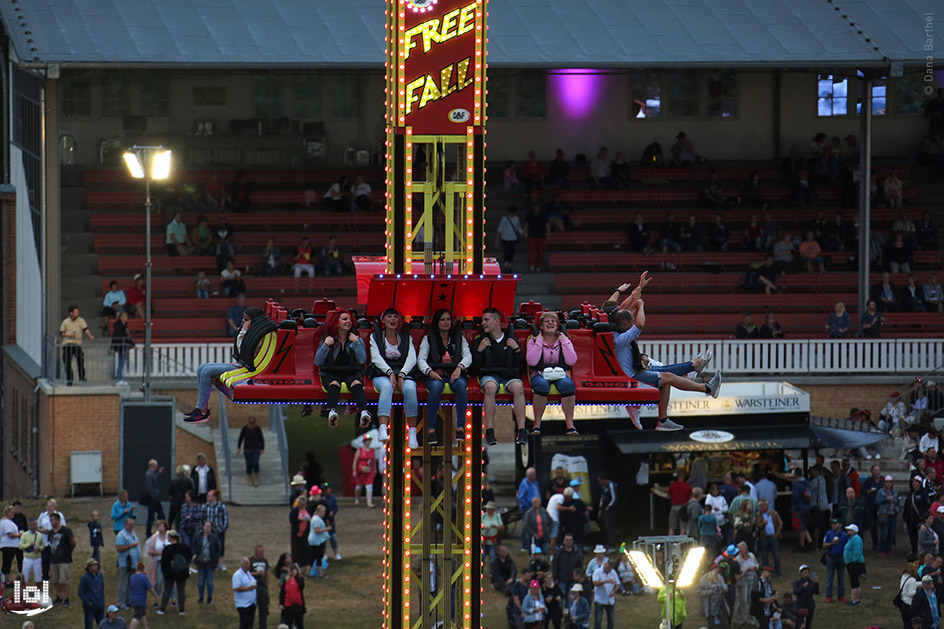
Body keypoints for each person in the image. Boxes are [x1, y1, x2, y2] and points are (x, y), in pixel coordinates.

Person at [611, 302, 721, 431]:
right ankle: (706, 387)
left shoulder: (615, 332)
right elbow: (640, 324)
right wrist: (641, 306)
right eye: (631, 322)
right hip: (632, 379)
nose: (633, 323)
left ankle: (663, 420)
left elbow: (623, 316)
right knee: (668, 376)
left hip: (633, 373)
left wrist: (635, 303)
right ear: (624, 324)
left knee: (666, 379)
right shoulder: (619, 339)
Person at [186, 305, 266, 423]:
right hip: (241, 364)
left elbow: (242, 348)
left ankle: (202, 411)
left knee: (207, 372)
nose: (243, 322)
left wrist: (243, 331)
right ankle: (201, 409)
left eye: (246, 320)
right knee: (201, 368)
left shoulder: (257, 334)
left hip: (248, 368)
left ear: (254, 321)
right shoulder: (253, 332)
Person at [472, 308, 528, 446]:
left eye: (486, 320)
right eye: (482, 320)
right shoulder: (479, 341)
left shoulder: (511, 340)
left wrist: (516, 350)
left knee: (518, 387)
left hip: (508, 376)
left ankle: (521, 430)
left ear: (496, 321)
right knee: (490, 387)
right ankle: (490, 430)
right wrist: (479, 351)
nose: (483, 323)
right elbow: (473, 369)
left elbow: (521, 367)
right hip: (490, 376)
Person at [312, 309, 371, 433]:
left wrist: (356, 343)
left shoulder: (356, 339)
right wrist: (326, 346)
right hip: (331, 372)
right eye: (344, 319)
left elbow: (362, 360)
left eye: (349, 319)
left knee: (357, 384)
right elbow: (317, 361)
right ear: (336, 323)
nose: (348, 321)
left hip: (350, 372)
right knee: (334, 384)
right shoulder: (328, 339)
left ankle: (364, 412)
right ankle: (332, 412)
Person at [418, 308, 472, 445]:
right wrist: (430, 372)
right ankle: (431, 429)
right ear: (437, 322)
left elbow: (467, 356)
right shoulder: (428, 339)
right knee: (436, 388)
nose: (446, 322)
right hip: (435, 375)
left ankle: (460, 427)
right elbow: (421, 360)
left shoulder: (458, 338)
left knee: (461, 385)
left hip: (454, 374)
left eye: (448, 319)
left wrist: (459, 368)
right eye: (442, 320)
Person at [369, 307, 420, 448]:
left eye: (395, 317)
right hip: (382, 373)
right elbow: (376, 358)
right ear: (383, 320)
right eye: (389, 317)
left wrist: (402, 374)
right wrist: (390, 372)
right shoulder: (376, 337)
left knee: (410, 389)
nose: (392, 319)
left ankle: (412, 432)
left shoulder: (405, 338)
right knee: (387, 386)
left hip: (403, 372)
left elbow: (412, 358)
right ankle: (383, 427)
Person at [527, 312, 578, 436]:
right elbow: (531, 361)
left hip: (560, 374)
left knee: (568, 386)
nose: (550, 323)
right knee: (542, 385)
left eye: (553, 321)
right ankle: (537, 424)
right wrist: (539, 342)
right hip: (539, 374)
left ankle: (570, 425)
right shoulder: (533, 340)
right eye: (547, 321)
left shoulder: (563, 340)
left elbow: (572, 361)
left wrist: (564, 341)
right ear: (541, 326)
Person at [155, 530, 190, 616]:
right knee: (181, 590)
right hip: (182, 572)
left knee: (167, 590)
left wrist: (165, 572)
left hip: (169, 573)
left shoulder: (167, 549)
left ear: (170, 538)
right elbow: (189, 557)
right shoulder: (184, 547)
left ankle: (162, 609)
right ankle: (181, 610)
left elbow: (164, 562)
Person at [61, 305, 94, 385]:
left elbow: (85, 329)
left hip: (77, 344)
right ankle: (69, 379)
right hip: (67, 344)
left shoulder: (81, 320)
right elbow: (62, 333)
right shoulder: (65, 322)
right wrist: (69, 335)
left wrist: (90, 335)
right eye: (75, 312)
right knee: (68, 362)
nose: (77, 313)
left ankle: (81, 377)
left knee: (80, 360)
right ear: (71, 313)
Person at [190, 521, 221, 605]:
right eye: (206, 526)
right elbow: (192, 545)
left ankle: (209, 597)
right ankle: (201, 597)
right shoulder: (198, 535)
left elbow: (219, 549)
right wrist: (194, 554)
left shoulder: (214, 538)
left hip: (210, 562)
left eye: (209, 527)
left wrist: (216, 559)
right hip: (200, 562)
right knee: (201, 581)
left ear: (211, 528)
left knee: (210, 581)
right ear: (203, 527)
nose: (207, 528)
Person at [116, 517, 141, 609]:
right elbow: (119, 548)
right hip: (125, 563)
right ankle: (121, 602)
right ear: (125, 525)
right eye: (130, 525)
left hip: (134, 563)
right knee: (124, 582)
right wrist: (130, 545)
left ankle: (129, 600)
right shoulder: (121, 535)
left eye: (133, 525)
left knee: (131, 582)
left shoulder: (132, 534)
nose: (132, 526)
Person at [821, 518, 847, 603]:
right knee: (829, 578)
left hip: (840, 558)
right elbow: (824, 545)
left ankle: (841, 595)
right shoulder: (829, 533)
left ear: (840, 525)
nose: (833, 525)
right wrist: (832, 543)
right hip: (831, 557)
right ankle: (828, 596)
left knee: (841, 578)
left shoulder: (844, 535)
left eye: (836, 523)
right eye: (832, 523)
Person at [144, 520, 169, 604]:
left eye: (161, 526)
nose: (160, 528)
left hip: (168, 561)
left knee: (170, 580)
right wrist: (160, 553)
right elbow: (149, 551)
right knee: (159, 580)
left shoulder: (169, 536)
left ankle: (172, 598)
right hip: (158, 561)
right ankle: (157, 598)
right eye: (158, 526)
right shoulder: (154, 537)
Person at [203, 490, 229, 571]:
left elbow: (225, 518)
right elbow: (202, 518)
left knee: (220, 547)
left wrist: (223, 529)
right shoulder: (205, 507)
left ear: (214, 497)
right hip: (208, 531)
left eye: (209, 496)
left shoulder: (221, 507)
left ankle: (221, 564)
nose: (208, 497)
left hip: (218, 530)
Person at [698, 562, 729, 629]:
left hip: (720, 606)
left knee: (725, 625)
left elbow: (723, 585)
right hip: (710, 607)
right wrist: (708, 592)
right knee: (712, 625)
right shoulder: (704, 580)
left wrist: (725, 588)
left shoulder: (720, 577)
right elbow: (699, 592)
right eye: (717, 568)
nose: (719, 569)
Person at [76, 557, 105, 629]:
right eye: (93, 565)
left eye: (96, 565)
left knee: (102, 624)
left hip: (100, 604)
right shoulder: (85, 578)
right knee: (89, 624)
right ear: (88, 567)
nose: (96, 567)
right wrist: (88, 602)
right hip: (90, 606)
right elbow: (81, 592)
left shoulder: (99, 576)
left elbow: (102, 588)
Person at [236, 416, 265, 487]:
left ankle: (256, 478)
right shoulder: (244, 429)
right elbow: (240, 438)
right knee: (248, 464)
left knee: (255, 463)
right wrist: (238, 448)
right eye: (250, 424)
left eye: (253, 425)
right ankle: (249, 478)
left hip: (256, 450)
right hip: (247, 450)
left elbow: (261, 439)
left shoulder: (258, 429)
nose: (251, 426)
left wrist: (262, 448)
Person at [129, 561, 159, 629]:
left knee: (142, 614)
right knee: (137, 616)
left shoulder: (132, 577)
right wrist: (155, 596)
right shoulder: (144, 578)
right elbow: (150, 588)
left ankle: (145, 627)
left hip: (133, 599)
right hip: (140, 600)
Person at [877, 473, 902, 557]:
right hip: (884, 515)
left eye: (890, 482)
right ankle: (882, 549)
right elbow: (877, 501)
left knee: (892, 533)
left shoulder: (894, 492)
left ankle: (889, 549)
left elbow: (897, 502)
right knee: (885, 533)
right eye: (887, 482)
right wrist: (886, 499)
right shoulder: (881, 492)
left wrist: (897, 509)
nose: (888, 484)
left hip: (893, 514)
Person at [496, 205, 525, 273]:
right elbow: (500, 229)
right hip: (505, 238)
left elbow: (518, 228)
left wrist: (523, 233)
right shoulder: (504, 219)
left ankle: (510, 266)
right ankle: (506, 266)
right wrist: (497, 237)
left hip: (513, 238)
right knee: (506, 252)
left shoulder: (516, 218)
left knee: (511, 253)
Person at [352, 434, 377, 507]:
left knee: (369, 486)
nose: (369, 442)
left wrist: (375, 470)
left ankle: (369, 502)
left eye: (370, 440)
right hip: (361, 470)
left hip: (370, 470)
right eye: (367, 440)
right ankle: (357, 498)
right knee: (359, 485)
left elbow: (374, 461)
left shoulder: (372, 450)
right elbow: (355, 461)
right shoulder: (360, 450)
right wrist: (354, 470)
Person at [592, 559, 618, 629]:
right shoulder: (597, 572)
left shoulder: (613, 572)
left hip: (610, 599)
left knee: (611, 619)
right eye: (608, 568)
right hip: (599, 599)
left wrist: (614, 591)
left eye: (610, 569)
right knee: (598, 619)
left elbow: (618, 584)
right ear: (605, 565)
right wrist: (606, 581)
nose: (609, 570)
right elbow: (595, 583)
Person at [233, 557, 258, 629]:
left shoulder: (249, 573)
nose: (248, 565)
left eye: (249, 564)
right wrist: (249, 588)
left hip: (251, 603)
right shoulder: (237, 575)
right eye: (246, 564)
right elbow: (236, 588)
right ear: (242, 565)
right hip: (243, 604)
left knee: (250, 624)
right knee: (244, 624)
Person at [278, 563, 306, 628]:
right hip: (288, 605)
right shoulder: (286, 580)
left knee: (299, 624)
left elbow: (301, 586)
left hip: (298, 605)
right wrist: (281, 603)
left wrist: (296, 576)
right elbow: (282, 593)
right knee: (288, 623)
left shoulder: (299, 579)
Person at [842, 523, 864, 606]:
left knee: (854, 581)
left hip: (854, 563)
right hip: (850, 562)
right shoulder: (851, 539)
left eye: (850, 530)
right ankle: (855, 598)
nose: (848, 531)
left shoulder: (856, 539)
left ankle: (854, 599)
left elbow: (857, 551)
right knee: (854, 580)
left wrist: (854, 561)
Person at [307, 504, 330, 578]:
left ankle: (307, 573)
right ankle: (320, 574)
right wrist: (326, 529)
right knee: (318, 557)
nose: (324, 513)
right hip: (317, 541)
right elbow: (317, 530)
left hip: (313, 540)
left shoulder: (314, 518)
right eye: (323, 512)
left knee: (311, 556)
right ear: (319, 512)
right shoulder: (317, 519)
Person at [143, 460, 165, 539]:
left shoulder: (151, 473)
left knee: (159, 515)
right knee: (152, 516)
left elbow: (154, 478)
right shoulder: (149, 474)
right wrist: (153, 497)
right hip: (152, 499)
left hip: (155, 498)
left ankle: (162, 530)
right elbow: (149, 487)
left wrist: (159, 473)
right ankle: (148, 533)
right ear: (153, 465)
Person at [18, 517, 43, 586]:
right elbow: (21, 546)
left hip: (37, 558)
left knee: (38, 577)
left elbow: (43, 546)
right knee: (24, 577)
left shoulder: (39, 535)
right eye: (33, 524)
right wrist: (29, 545)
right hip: (27, 558)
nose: (35, 526)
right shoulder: (24, 535)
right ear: (29, 525)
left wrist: (39, 548)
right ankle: (23, 593)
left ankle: (39, 592)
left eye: (36, 524)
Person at [792, 564, 818, 629]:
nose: (806, 574)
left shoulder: (811, 582)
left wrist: (816, 583)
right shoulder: (797, 582)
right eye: (804, 572)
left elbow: (816, 592)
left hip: (810, 605)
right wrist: (803, 587)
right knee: (799, 623)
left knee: (808, 624)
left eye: (807, 572)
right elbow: (796, 592)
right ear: (801, 574)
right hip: (801, 606)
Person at [898, 554, 921, 629]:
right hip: (909, 604)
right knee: (911, 625)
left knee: (906, 624)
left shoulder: (904, 576)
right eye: (916, 564)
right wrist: (920, 593)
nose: (917, 566)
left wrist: (922, 583)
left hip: (903, 603)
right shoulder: (912, 579)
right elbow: (911, 593)